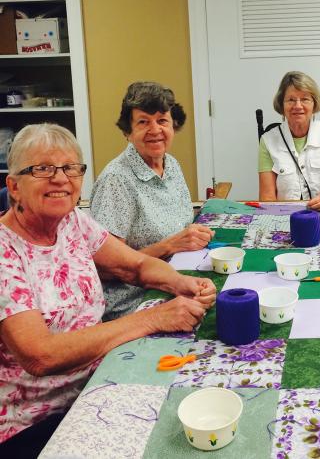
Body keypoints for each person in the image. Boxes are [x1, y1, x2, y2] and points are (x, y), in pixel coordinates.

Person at [0, 124, 216, 456]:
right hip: (37, 420)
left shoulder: (72, 221)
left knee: (202, 396)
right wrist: (152, 319)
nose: (61, 179)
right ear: (14, 186)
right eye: (42, 169)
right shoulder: (5, 251)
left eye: (71, 168)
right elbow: (40, 355)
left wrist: (182, 283)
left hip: (98, 379)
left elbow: (135, 266)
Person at [91, 81, 214, 320]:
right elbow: (104, 268)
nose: (155, 129)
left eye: (162, 120)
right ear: (128, 131)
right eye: (143, 122)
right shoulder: (116, 179)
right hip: (134, 300)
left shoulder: (171, 164)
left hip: (174, 277)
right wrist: (170, 245)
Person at [258, 71, 320, 211]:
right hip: (286, 217)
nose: (298, 106)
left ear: (314, 104)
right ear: (282, 105)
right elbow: (267, 197)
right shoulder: (267, 141)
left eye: (305, 99)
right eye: (291, 100)